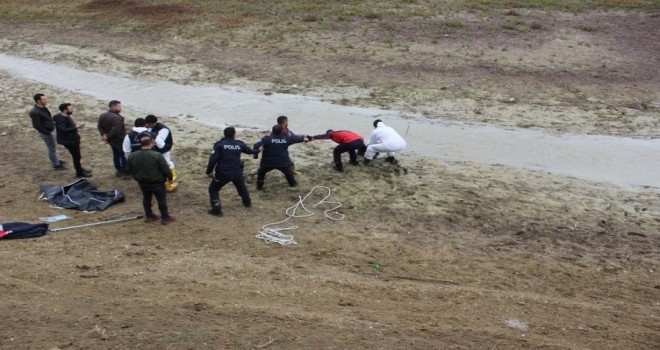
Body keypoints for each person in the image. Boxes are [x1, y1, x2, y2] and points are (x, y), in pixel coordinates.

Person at [205, 127, 257, 216]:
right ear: (234, 134)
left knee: (213, 189)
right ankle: (247, 203)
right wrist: (259, 150)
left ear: (224, 134)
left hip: (223, 173)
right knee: (241, 188)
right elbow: (250, 151)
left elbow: (213, 159)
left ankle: (217, 210)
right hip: (237, 172)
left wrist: (209, 171)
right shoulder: (239, 144)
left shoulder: (219, 145)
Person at [126, 135, 175, 225]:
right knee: (161, 200)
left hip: (142, 182)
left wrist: (136, 175)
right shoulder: (157, 155)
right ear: (151, 143)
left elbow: (128, 169)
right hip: (157, 182)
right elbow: (165, 169)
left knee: (146, 198)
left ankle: (149, 215)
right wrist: (170, 178)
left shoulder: (132, 155)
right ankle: (165, 217)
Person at [253, 124, 309, 190]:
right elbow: (296, 139)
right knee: (288, 173)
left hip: (267, 162)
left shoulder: (266, 139)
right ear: (282, 131)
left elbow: (256, 145)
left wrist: (255, 155)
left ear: (272, 131)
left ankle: (259, 186)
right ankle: (292, 184)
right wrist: (304, 139)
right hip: (282, 162)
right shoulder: (287, 138)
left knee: (261, 172)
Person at [53, 103, 92, 178]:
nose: (72, 110)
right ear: (65, 110)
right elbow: (63, 130)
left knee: (78, 156)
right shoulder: (60, 118)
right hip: (69, 141)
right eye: (70, 109)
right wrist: (76, 128)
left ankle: (80, 169)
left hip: (73, 139)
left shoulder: (66, 116)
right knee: (76, 156)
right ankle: (79, 173)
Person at [29, 93, 65, 170]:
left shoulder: (43, 108)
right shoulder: (34, 112)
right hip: (46, 132)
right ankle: (56, 164)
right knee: (51, 148)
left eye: (46, 98)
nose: (46, 100)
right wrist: (48, 132)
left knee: (53, 147)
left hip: (50, 130)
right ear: (38, 101)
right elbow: (36, 126)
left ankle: (56, 160)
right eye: (44, 99)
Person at [144, 114, 177, 192]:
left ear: (153, 123)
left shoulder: (163, 130)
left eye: (149, 124)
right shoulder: (150, 128)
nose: (147, 126)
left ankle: (172, 179)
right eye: (147, 124)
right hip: (155, 149)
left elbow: (161, 144)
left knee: (167, 163)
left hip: (164, 150)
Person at [97, 100, 127, 176]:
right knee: (123, 155)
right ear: (113, 106)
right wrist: (108, 135)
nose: (121, 108)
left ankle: (118, 169)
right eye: (119, 106)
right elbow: (116, 130)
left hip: (111, 140)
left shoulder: (103, 115)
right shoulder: (117, 118)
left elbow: (99, 126)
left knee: (115, 154)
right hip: (119, 139)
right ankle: (124, 170)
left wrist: (104, 135)